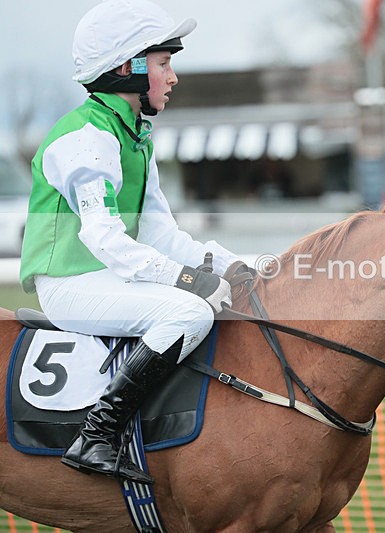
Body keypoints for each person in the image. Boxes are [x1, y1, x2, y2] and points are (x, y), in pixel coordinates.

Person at [19, 0, 247, 485]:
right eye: (164, 63)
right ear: (129, 68)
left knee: (199, 300)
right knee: (189, 311)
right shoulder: (84, 138)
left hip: (104, 278)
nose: (173, 77)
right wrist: (188, 280)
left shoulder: (135, 135)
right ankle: (96, 435)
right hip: (69, 285)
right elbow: (104, 237)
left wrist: (236, 265)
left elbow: (163, 235)